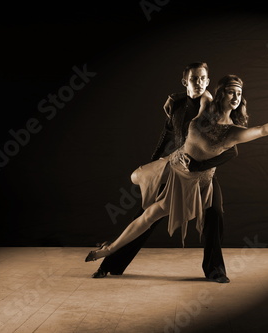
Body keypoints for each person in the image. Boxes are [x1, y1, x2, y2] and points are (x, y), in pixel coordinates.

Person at [85, 74, 268, 277]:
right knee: (135, 178)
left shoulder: (234, 133)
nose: (235, 97)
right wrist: (174, 97)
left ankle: (108, 250)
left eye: (239, 94)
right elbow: (196, 86)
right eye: (230, 92)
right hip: (172, 165)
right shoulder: (205, 105)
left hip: (195, 181)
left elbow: (263, 129)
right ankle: (111, 259)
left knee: (153, 215)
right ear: (220, 94)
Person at [91, 62, 239, 283]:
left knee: (214, 214)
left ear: (207, 81)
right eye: (193, 79)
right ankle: (110, 264)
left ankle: (215, 270)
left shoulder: (212, 109)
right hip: (174, 170)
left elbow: (232, 149)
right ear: (185, 82)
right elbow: (166, 137)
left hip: (202, 175)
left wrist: (200, 166)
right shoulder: (176, 107)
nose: (198, 82)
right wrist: (154, 170)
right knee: (145, 216)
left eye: (202, 78)